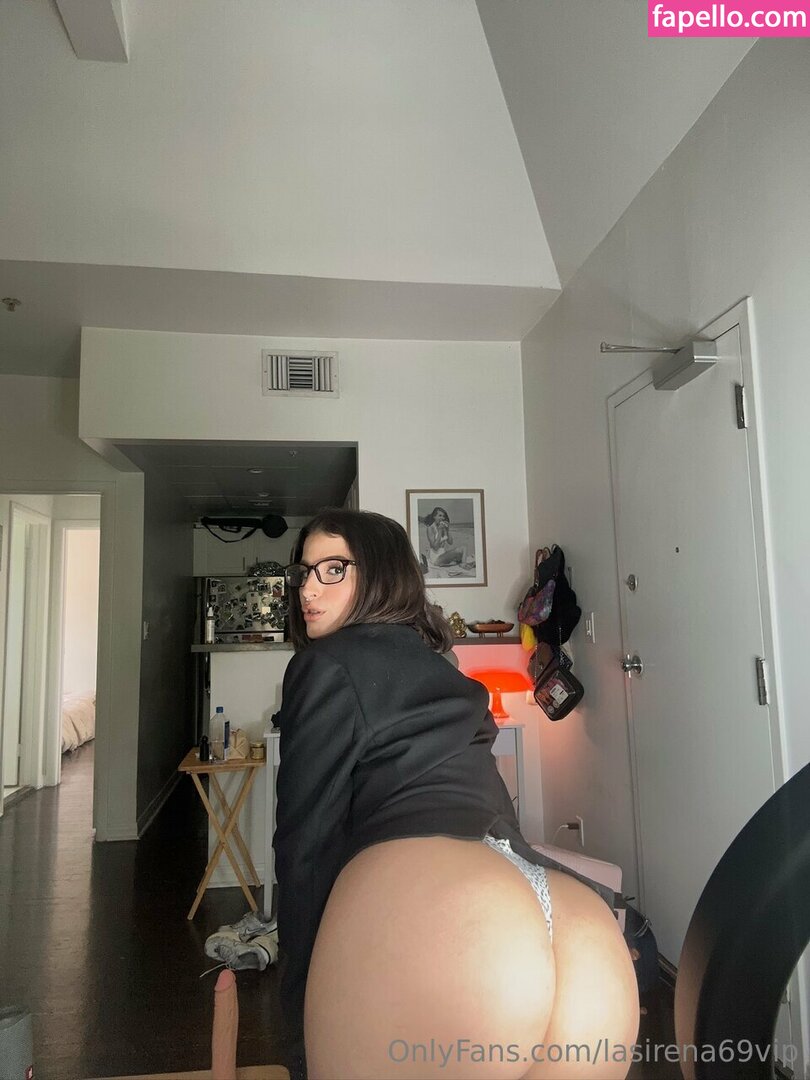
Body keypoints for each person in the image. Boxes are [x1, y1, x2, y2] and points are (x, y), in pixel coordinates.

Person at [273, 509, 638, 1080]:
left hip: (451, 925)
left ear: (380, 573)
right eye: (303, 572)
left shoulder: (323, 664)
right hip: (568, 921)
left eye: (333, 569)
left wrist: (298, 995)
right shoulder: (440, 666)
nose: (308, 590)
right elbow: (493, 803)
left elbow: (306, 843)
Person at [422, 505, 472, 570]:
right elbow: (435, 547)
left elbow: (450, 542)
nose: (442, 518)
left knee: (463, 549)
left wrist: (447, 529)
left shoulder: (443, 527)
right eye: (440, 515)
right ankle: (463, 564)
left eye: (443, 516)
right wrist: (440, 531)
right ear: (434, 516)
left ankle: (462, 563)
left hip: (443, 555)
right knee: (462, 549)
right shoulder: (430, 528)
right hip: (436, 559)